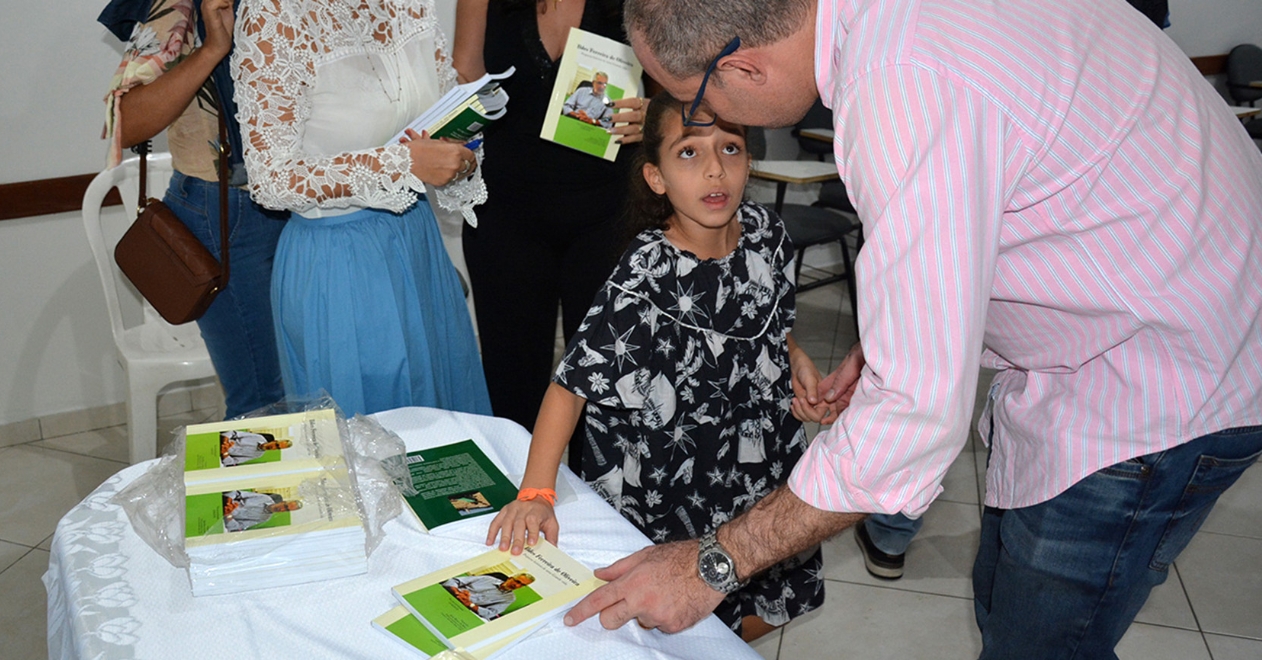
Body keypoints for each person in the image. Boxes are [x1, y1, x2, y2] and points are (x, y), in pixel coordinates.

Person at [562, 0, 1262, 657]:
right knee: (1006, 599)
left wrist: (713, 563)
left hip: (1161, 378)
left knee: (1041, 637)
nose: (709, 128)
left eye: (703, 102)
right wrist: (890, 340)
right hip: (1166, 305)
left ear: (744, 66)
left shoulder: (901, 83)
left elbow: (915, 417)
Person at [487, 93, 828, 641]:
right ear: (656, 177)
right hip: (674, 480)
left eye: (731, 148)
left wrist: (795, 358)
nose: (715, 167)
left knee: (761, 594)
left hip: (757, 464)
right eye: (689, 153)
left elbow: (771, 317)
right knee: (680, 621)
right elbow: (570, 386)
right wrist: (535, 493)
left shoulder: (768, 234)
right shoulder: (646, 273)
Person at [231, 0, 491, 417]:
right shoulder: (276, 14)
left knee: (442, 423)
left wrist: (459, 154)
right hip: (338, 260)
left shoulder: (411, 4)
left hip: (415, 240)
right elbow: (270, 179)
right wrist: (403, 164)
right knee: (371, 441)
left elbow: (439, 110)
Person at [452, 0, 649, 446]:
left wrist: (655, 115)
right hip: (503, 214)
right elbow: (464, 75)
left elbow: (686, 82)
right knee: (510, 382)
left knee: (604, 384)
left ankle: (598, 511)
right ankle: (515, 504)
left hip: (609, 214)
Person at [100, 0, 286, 419]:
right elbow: (127, 121)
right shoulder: (180, 6)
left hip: (303, 205)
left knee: (304, 384)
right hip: (230, 215)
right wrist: (211, 50)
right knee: (262, 401)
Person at [441, 572, 536, 621]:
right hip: (449, 595)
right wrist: (457, 592)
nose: (517, 585)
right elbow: (455, 581)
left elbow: (490, 613)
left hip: (463, 609)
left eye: (522, 585)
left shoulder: (509, 598)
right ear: (511, 578)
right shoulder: (487, 579)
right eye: (517, 581)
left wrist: (470, 604)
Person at [222, 490, 300, 532]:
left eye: (286, 510)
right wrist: (228, 501)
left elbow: (238, 527)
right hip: (223, 502)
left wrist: (229, 515)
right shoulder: (265, 498)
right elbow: (237, 493)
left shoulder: (264, 518)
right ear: (283, 502)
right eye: (285, 506)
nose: (282, 509)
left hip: (223, 519)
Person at [219, 430, 290, 466]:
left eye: (277, 448)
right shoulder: (258, 437)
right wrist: (225, 441)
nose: (273, 447)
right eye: (276, 445)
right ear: (274, 441)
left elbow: (233, 461)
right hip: (219, 441)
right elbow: (233, 433)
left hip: (220, 455)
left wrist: (225, 452)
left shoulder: (258, 455)